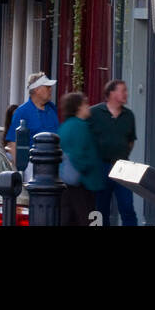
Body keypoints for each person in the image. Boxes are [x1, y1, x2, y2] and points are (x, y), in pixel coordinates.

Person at [88, 79, 138, 227]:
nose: (126, 94)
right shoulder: (94, 112)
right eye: (123, 90)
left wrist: (121, 154)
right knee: (101, 209)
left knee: (127, 207)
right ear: (111, 93)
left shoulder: (129, 115)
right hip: (100, 166)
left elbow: (131, 140)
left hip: (123, 166)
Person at [59, 92, 105, 226]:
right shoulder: (80, 126)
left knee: (69, 219)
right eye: (85, 104)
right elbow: (79, 155)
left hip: (69, 182)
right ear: (78, 107)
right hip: (83, 182)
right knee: (87, 219)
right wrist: (89, 167)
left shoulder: (65, 125)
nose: (88, 107)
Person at [5, 72, 59, 163]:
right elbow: (13, 143)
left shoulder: (52, 108)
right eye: (47, 87)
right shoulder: (22, 112)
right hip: (32, 164)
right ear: (37, 89)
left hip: (54, 162)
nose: (51, 90)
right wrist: (19, 169)